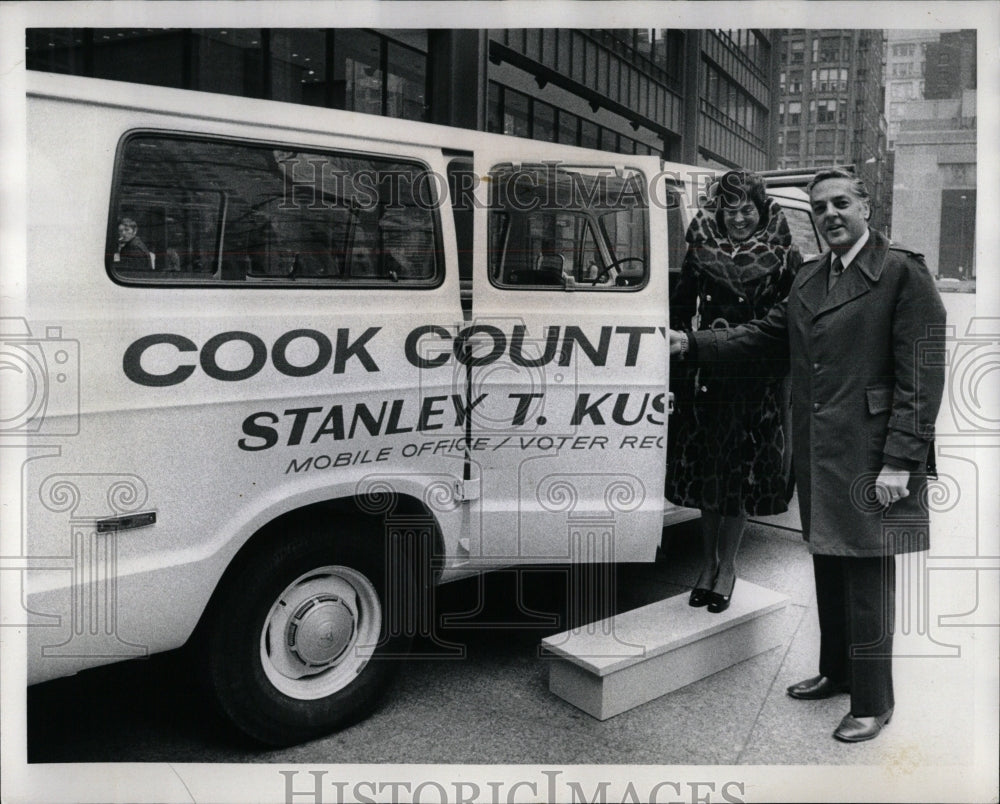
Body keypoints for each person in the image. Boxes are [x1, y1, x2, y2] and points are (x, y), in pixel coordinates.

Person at [670, 167, 946, 742]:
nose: (829, 216)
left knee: (867, 578)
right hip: (822, 449)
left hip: (875, 456)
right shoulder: (813, 276)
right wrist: (694, 342)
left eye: (840, 203)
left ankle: (874, 702)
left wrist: (901, 460)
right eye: (819, 208)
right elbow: (765, 334)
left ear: (866, 206)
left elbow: (921, 378)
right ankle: (837, 673)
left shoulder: (902, 273)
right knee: (828, 561)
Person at [667, 169, 801, 614]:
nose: (738, 218)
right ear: (717, 210)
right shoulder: (700, 248)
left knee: (739, 478)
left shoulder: (786, 256)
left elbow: (782, 327)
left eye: (747, 209)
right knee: (708, 470)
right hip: (708, 374)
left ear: (761, 210)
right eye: (730, 209)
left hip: (755, 377)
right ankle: (706, 565)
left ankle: (729, 567)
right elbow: (681, 307)